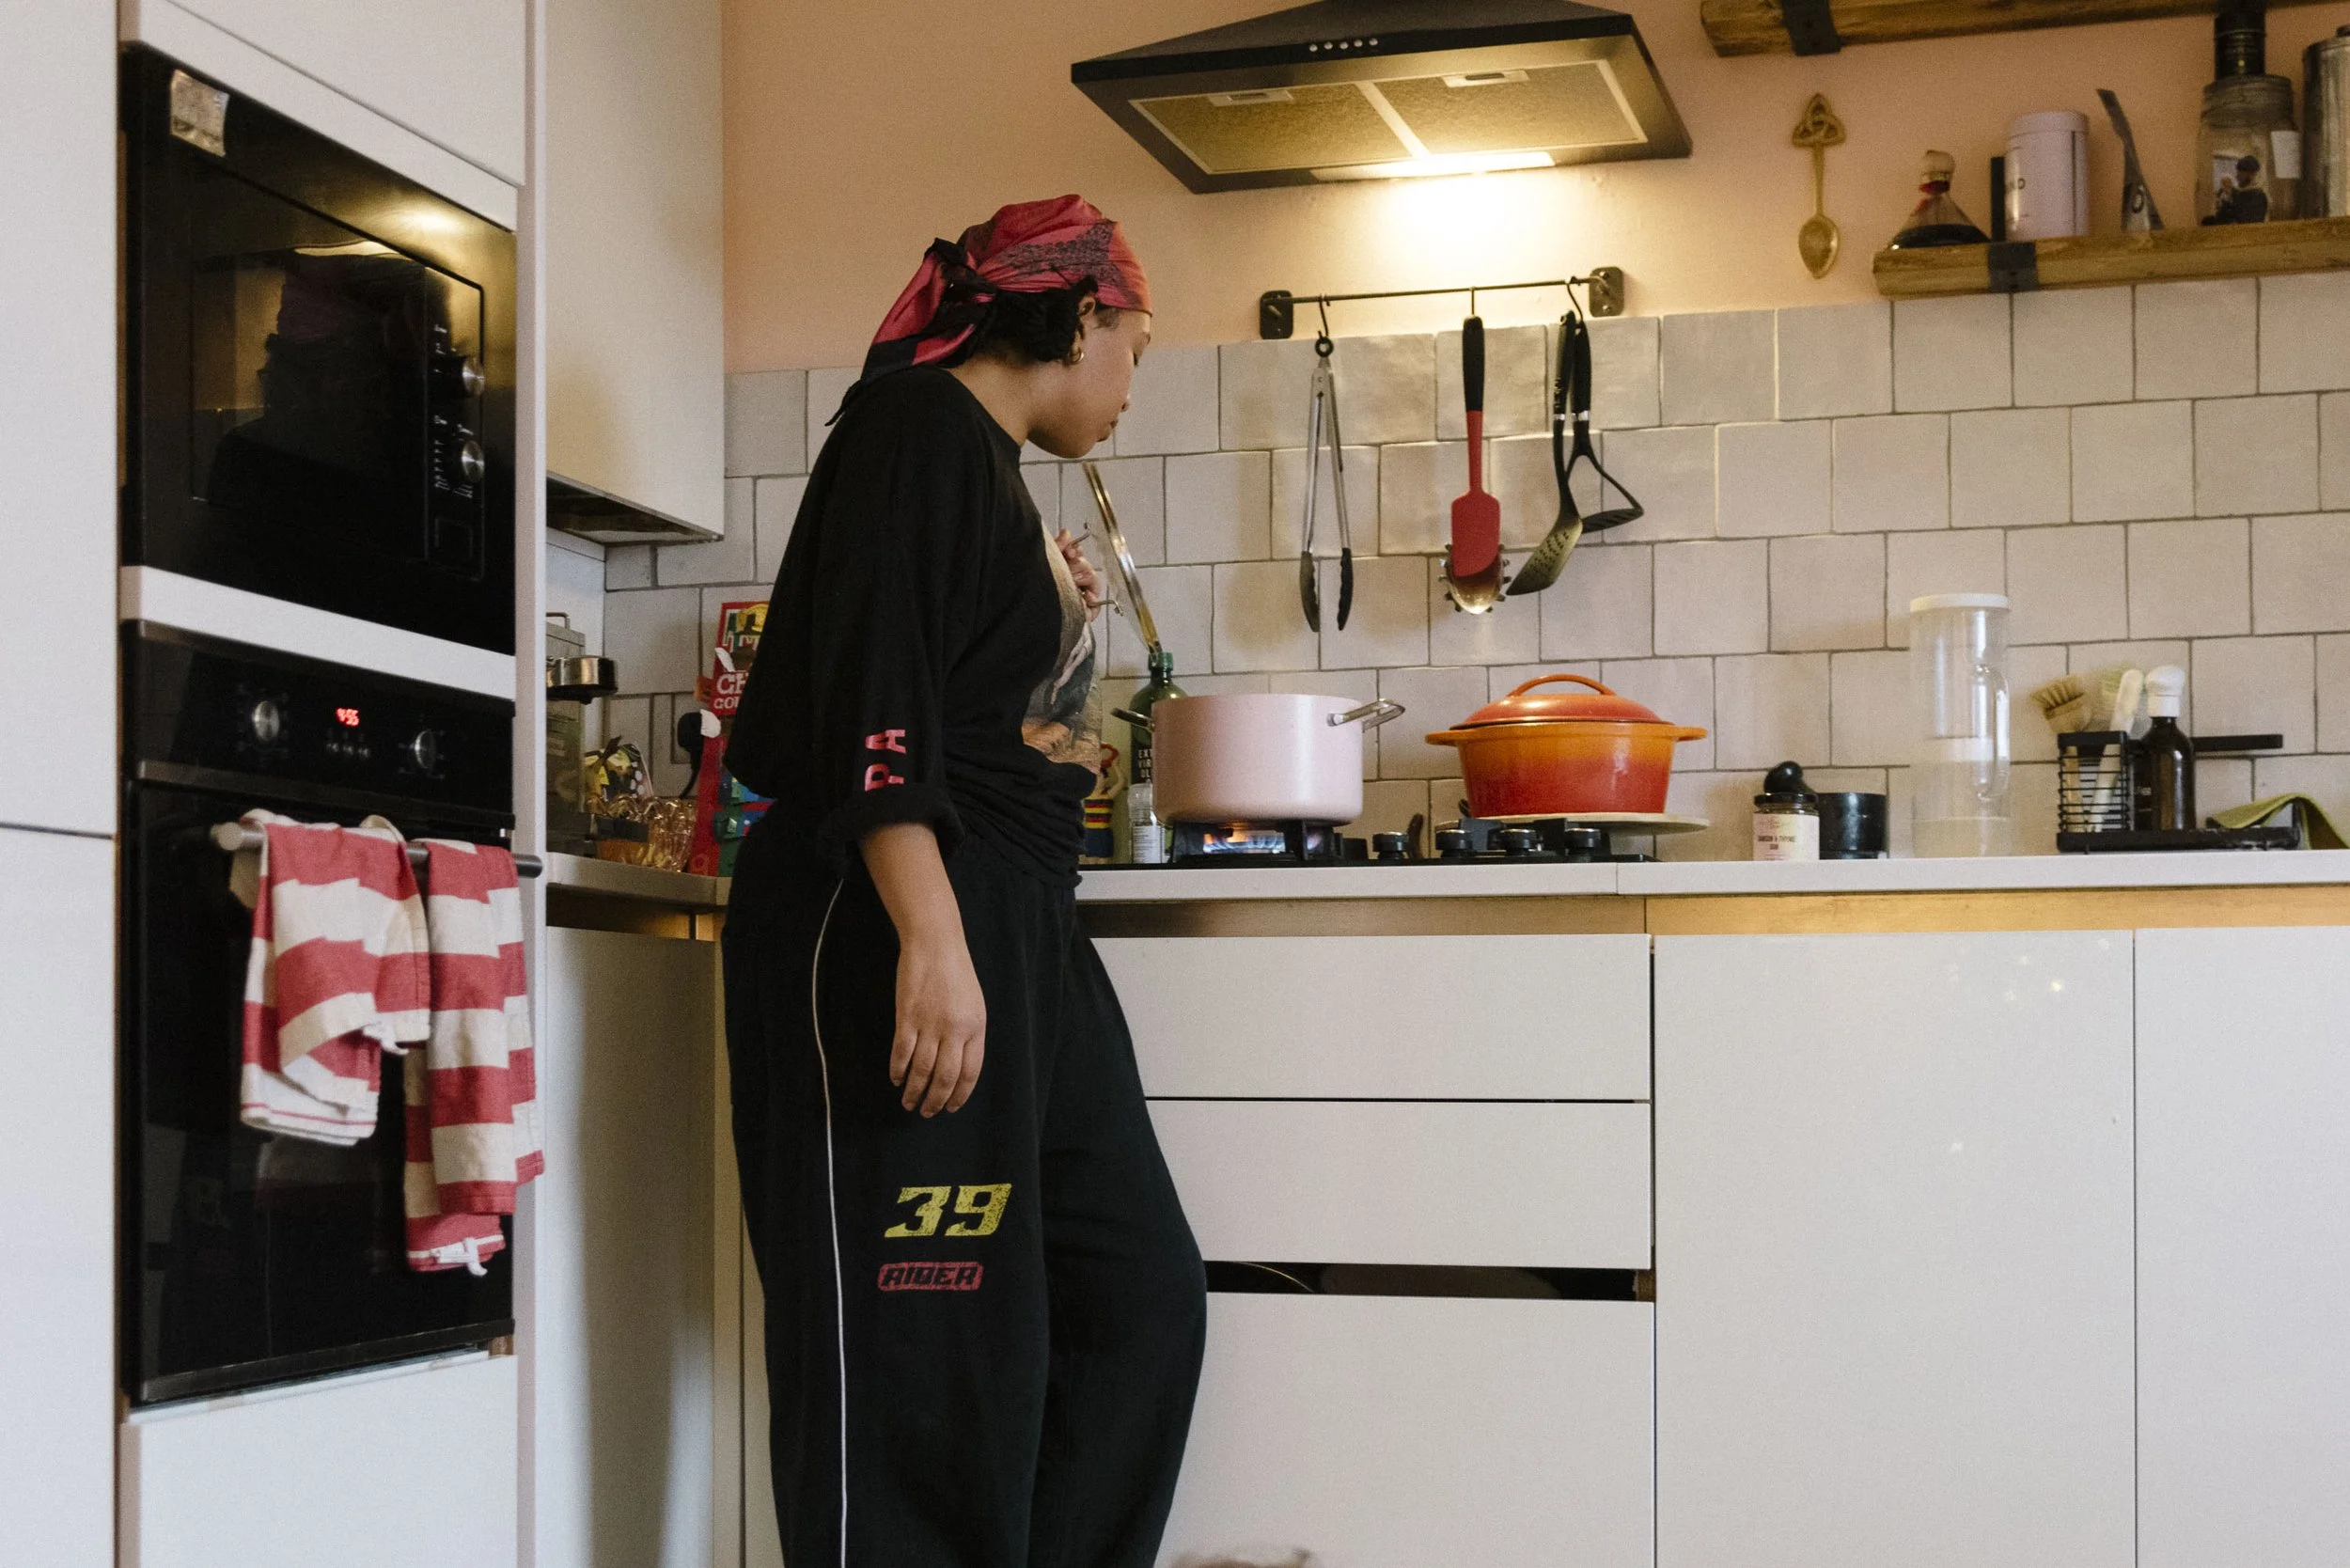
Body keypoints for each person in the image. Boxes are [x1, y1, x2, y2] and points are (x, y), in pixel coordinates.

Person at [718, 196, 1207, 1568]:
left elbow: (955, 686)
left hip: (1018, 919)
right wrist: (931, 943)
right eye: (1136, 350)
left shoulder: (982, 469)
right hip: (895, 916)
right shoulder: (915, 429)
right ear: (1082, 317)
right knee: (915, 1358)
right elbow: (874, 702)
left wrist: (1043, 609)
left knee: (1134, 1302)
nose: (1131, 390)